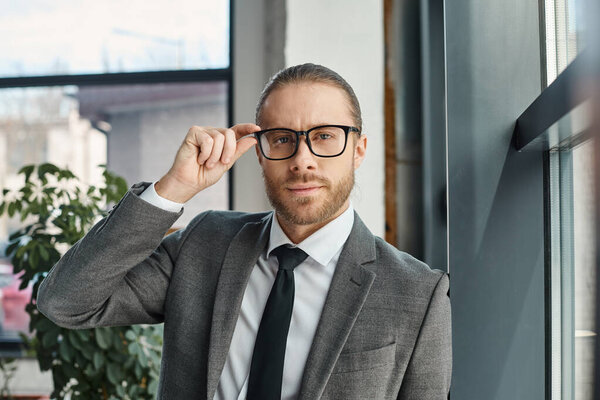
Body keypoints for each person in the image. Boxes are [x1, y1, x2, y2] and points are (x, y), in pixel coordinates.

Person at [36, 63, 451, 400]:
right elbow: (65, 302)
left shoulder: (417, 293)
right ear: (260, 153)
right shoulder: (205, 243)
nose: (302, 160)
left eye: (325, 137)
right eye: (282, 139)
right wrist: (174, 188)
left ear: (359, 149)